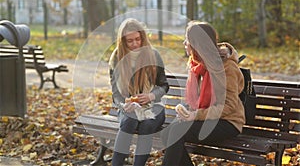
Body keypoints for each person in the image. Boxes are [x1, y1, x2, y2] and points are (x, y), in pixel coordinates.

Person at [161, 21, 245, 166]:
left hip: (227, 122)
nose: (184, 43)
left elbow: (229, 106)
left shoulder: (226, 67)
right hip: (204, 117)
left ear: (196, 44)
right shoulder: (196, 65)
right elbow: (194, 99)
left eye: (187, 40)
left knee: (175, 132)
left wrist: (196, 115)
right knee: (166, 133)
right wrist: (185, 109)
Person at [90, 18, 169, 166]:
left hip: (154, 107)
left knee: (146, 125)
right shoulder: (116, 59)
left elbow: (164, 85)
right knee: (130, 120)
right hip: (128, 109)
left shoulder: (153, 55)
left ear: (143, 37)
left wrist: (151, 96)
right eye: (130, 41)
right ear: (123, 42)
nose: (135, 44)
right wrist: (124, 105)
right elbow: (116, 95)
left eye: (138, 39)